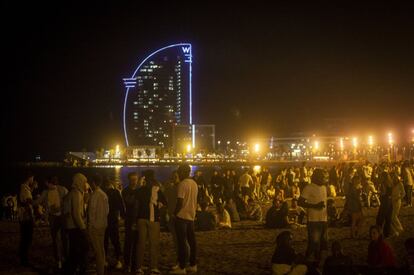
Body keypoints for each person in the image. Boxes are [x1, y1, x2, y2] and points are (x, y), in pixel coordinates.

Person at [135, 170, 167, 275]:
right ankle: (153, 267)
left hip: (141, 218)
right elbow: (164, 203)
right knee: (153, 244)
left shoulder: (140, 190)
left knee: (141, 244)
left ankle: (139, 267)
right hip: (153, 219)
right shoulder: (157, 190)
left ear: (145, 178)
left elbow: (136, 205)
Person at [34, 176, 68, 269]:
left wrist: (60, 208)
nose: (46, 185)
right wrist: (31, 202)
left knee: (65, 238)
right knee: (56, 240)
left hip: (62, 217)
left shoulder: (63, 190)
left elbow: (68, 202)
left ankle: (66, 258)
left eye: (47, 183)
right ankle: (59, 260)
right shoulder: (46, 192)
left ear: (51, 183)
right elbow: (38, 201)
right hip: (53, 218)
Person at [171, 164, 198, 274]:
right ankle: (193, 264)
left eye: (179, 172)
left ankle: (182, 267)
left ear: (182, 172)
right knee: (192, 241)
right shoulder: (194, 184)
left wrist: (174, 214)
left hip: (182, 216)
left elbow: (180, 202)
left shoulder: (182, 184)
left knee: (182, 242)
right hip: (191, 215)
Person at [298, 168, 328, 263]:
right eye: (323, 177)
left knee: (322, 243)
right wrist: (314, 206)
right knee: (313, 243)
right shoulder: (309, 188)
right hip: (313, 220)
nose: (325, 179)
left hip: (323, 219)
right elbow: (300, 202)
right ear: (317, 177)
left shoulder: (324, 187)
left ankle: (317, 261)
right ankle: (306, 260)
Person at [64, 173, 89, 275]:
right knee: (80, 249)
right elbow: (76, 214)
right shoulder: (76, 194)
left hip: (72, 226)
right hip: (75, 227)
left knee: (74, 250)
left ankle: (71, 269)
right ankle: (76, 270)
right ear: (79, 182)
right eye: (84, 181)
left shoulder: (76, 192)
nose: (86, 184)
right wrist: (83, 229)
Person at [88, 174, 109, 275]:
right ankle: (102, 269)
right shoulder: (104, 194)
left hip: (95, 226)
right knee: (101, 248)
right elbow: (107, 211)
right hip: (103, 225)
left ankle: (100, 271)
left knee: (97, 251)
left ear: (93, 183)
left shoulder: (94, 195)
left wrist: (90, 225)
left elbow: (91, 212)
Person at [103, 177, 125, 269]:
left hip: (105, 220)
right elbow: (121, 205)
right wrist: (123, 216)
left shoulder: (103, 193)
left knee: (105, 241)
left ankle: (105, 260)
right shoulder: (116, 192)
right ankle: (118, 260)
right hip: (113, 220)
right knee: (115, 241)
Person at [121, 172, 140, 272]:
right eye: (132, 180)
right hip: (129, 219)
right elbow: (129, 201)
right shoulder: (125, 191)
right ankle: (127, 263)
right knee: (128, 243)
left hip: (138, 219)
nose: (134, 182)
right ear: (129, 180)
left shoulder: (138, 190)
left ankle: (134, 264)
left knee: (137, 243)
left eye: (135, 180)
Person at [18, 173, 36, 267]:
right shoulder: (25, 189)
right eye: (32, 177)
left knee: (25, 238)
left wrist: (32, 188)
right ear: (29, 177)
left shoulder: (24, 188)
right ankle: (24, 259)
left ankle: (22, 257)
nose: (33, 179)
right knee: (27, 238)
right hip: (26, 217)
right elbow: (28, 203)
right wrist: (32, 217)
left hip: (24, 217)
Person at [390, 171, 405, 237]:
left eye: (395, 178)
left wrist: (399, 198)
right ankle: (397, 228)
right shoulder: (392, 184)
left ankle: (400, 228)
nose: (394, 179)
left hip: (397, 201)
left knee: (394, 216)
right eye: (393, 178)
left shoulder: (400, 184)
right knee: (392, 216)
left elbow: (404, 193)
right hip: (392, 201)